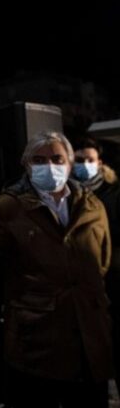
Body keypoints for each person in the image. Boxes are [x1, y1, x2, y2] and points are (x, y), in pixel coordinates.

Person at [0, 131, 112, 408]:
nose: (49, 166)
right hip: (37, 345)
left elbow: (101, 264)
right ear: (26, 165)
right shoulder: (6, 209)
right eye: (39, 160)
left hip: (89, 342)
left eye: (57, 159)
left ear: (69, 164)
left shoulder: (92, 205)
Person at [71, 136, 120, 393]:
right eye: (79, 160)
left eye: (90, 160)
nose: (85, 165)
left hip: (113, 283)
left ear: (100, 163)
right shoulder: (68, 194)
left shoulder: (113, 194)